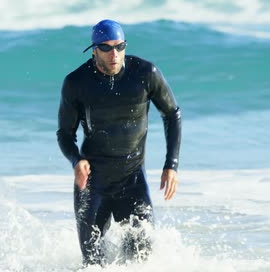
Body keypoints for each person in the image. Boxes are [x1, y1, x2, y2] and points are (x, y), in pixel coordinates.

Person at [56, 19, 182, 266]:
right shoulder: (76, 83)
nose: (114, 54)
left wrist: (171, 165)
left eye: (119, 46)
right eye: (106, 48)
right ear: (94, 50)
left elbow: (172, 114)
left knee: (140, 259)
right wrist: (76, 160)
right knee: (93, 263)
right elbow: (64, 134)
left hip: (132, 179)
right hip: (93, 184)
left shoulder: (145, 74)